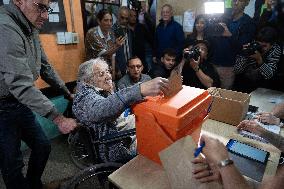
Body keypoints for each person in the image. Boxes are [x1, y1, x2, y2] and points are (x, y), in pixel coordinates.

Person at [0, 1, 77, 189]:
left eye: (47, 9)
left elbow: (45, 67)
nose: (45, 15)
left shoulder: (30, 26)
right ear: (19, 1)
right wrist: (58, 118)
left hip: (19, 102)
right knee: (12, 165)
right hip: (2, 108)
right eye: (40, 7)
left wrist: (67, 93)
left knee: (42, 146)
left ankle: (34, 185)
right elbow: (20, 83)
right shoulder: (5, 27)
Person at [72, 58, 169, 163]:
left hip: (125, 130)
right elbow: (101, 109)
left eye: (108, 71)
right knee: (162, 139)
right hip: (119, 144)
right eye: (101, 74)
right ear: (88, 80)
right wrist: (139, 89)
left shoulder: (98, 90)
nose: (108, 76)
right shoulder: (84, 97)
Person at [210, 0, 256, 89]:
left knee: (224, 96)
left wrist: (229, 35)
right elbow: (212, 37)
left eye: (240, 0)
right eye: (234, 0)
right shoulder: (224, 17)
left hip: (229, 66)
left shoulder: (248, 23)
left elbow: (243, 47)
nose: (236, 3)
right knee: (210, 92)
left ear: (247, 3)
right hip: (213, 62)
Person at [233, 26, 281, 93]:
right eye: (259, 45)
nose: (261, 48)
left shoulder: (275, 49)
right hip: (245, 81)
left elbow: (269, 75)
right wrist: (244, 55)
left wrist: (259, 60)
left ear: (272, 45)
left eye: (264, 46)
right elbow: (236, 70)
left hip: (264, 84)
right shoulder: (251, 45)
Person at [112, 6, 133, 76]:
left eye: (126, 19)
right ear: (118, 16)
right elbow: (111, 52)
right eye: (122, 17)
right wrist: (116, 68)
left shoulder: (128, 30)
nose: (124, 21)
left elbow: (129, 49)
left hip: (129, 66)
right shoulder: (112, 31)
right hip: (118, 69)